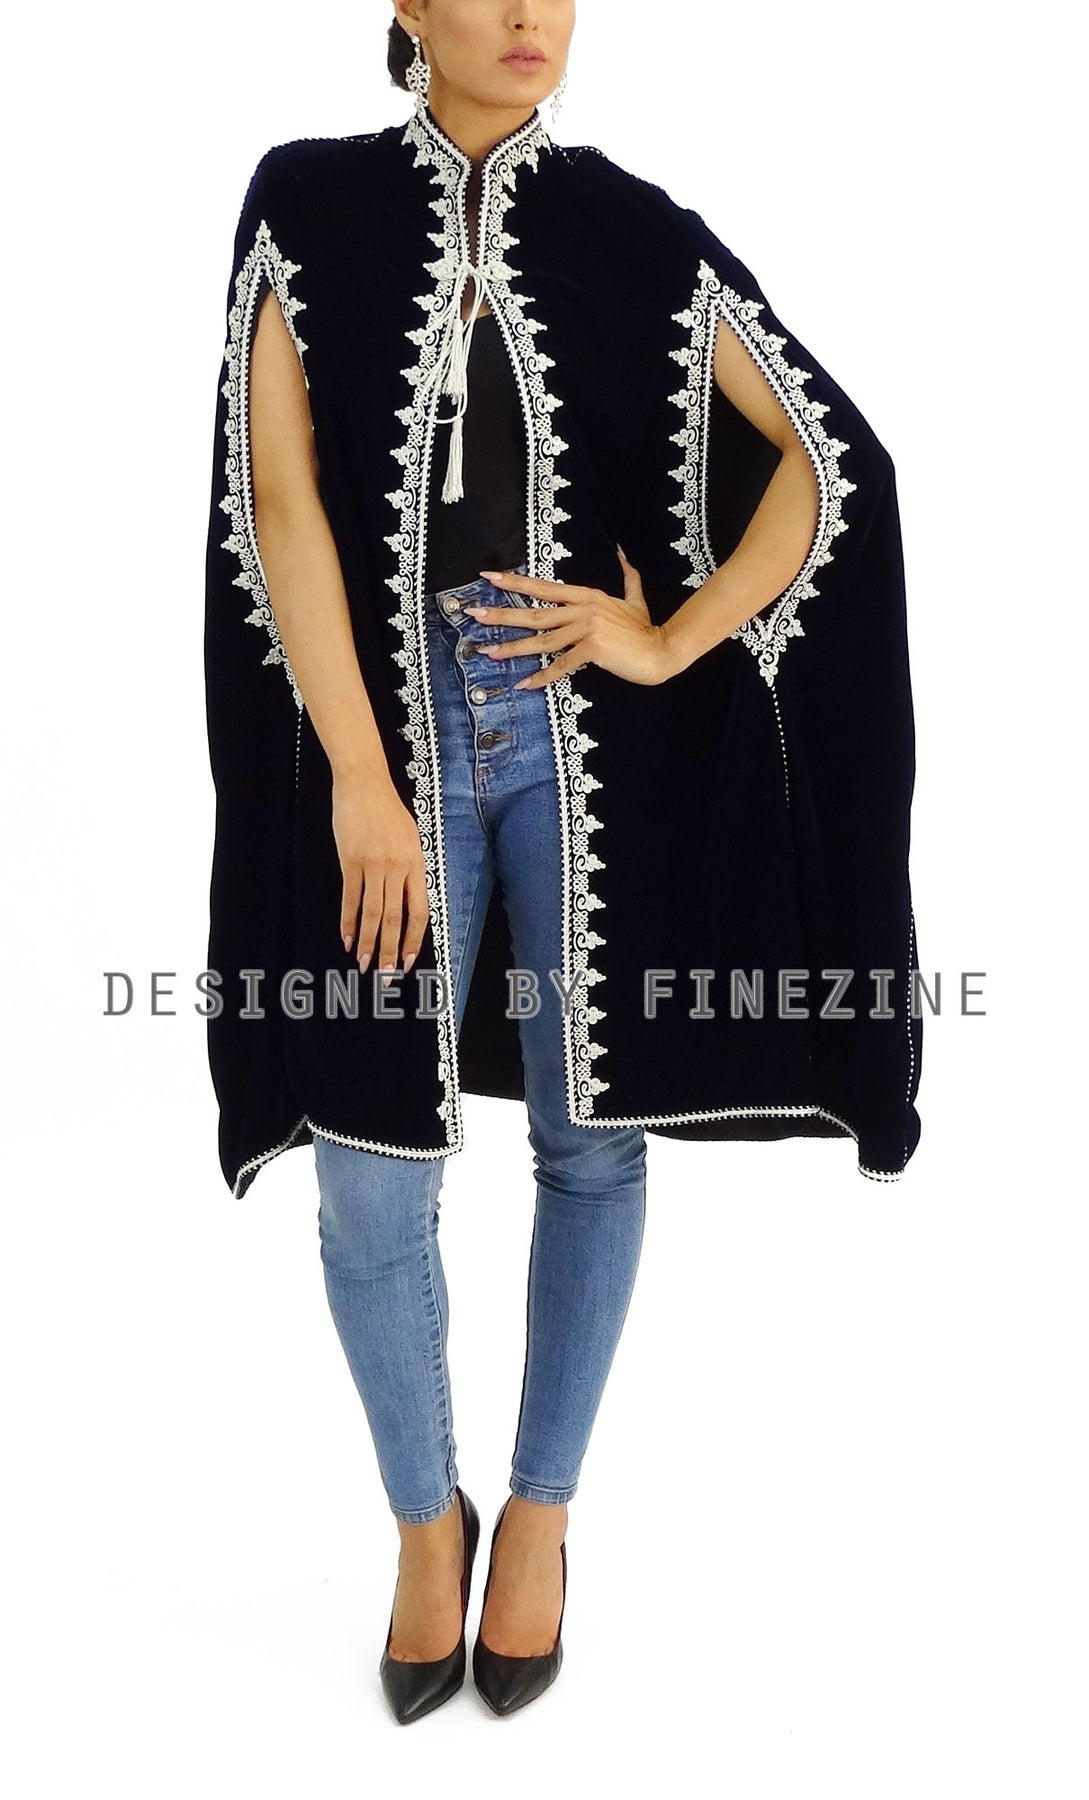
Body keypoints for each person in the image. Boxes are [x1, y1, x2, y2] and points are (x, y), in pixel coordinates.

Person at [204, 0, 921, 1727]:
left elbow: (830, 459)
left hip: (579, 742)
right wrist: (360, 773)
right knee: (368, 1168)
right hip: (391, 736)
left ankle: (537, 1516)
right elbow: (280, 502)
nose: (528, 13)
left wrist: (667, 638)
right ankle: (422, 1523)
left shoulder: (635, 231)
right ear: (406, 7)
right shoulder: (306, 198)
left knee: (588, 1141)